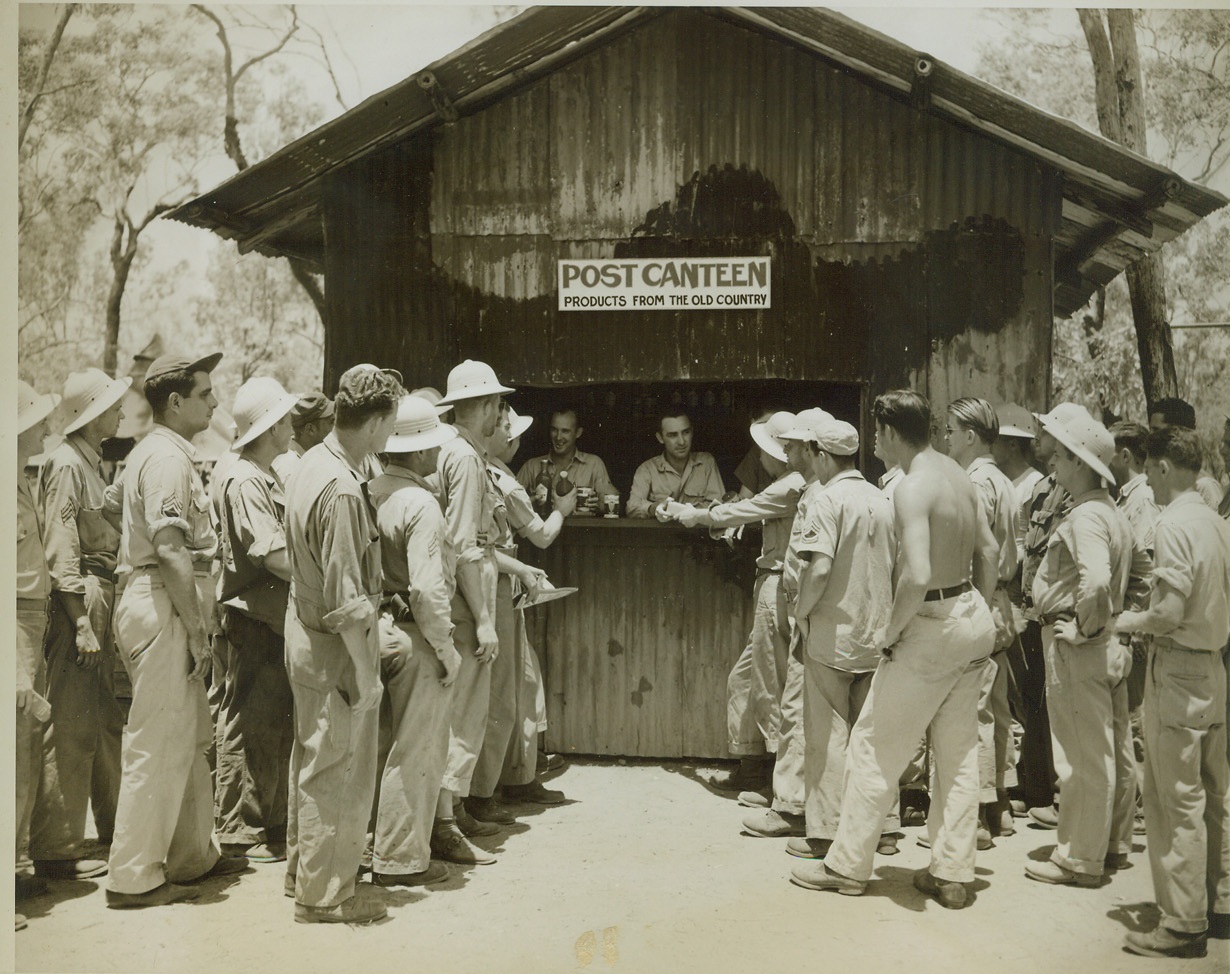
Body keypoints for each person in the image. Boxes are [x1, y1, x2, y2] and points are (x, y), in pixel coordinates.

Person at [790, 389, 997, 909]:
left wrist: (890, 631)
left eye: (876, 434)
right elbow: (991, 552)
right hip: (971, 614)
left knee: (871, 744)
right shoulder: (957, 475)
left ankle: (847, 867)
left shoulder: (910, 488)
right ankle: (952, 873)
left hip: (930, 621)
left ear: (886, 432)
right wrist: (977, 608)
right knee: (958, 754)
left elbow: (918, 575)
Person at [106, 352, 248, 909]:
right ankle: (132, 876)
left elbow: (112, 509)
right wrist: (196, 631)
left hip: (166, 600)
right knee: (156, 741)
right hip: (163, 600)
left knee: (187, 737)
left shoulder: (161, 453)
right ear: (175, 402)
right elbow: (169, 549)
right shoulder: (164, 458)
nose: (214, 402)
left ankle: (190, 856)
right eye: (205, 393)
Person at [283, 364, 402, 924]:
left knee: (312, 759)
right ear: (376, 423)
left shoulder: (313, 462)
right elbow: (349, 603)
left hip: (304, 631)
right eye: (390, 423)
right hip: (334, 647)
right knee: (337, 770)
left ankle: (302, 875)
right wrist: (371, 676)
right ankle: (326, 895)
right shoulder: (344, 490)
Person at [1114, 426, 1230, 958]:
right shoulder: (1216, 521)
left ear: (1162, 467)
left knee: (1172, 798)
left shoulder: (1174, 524)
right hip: (1213, 668)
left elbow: (1166, 612)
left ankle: (1182, 924)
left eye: (1150, 471)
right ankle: (1219, 904)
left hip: (1179, 669)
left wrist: (1125, 621)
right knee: (1214, 794)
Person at [1028, 412, 1146, 889]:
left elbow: (1095, 580)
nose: (1054, 463)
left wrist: (1084, 627)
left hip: (1079, 647)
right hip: (1105, 646)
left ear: (1079, 462)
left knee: (1080, 756)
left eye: (1059, 453)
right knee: (1111, 750)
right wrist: (1116, 629)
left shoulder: (1086, 517)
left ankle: (1079, 858)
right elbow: (1140, 577)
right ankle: (1112, 845)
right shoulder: (1114, 514)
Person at [777, 418, 897, 860]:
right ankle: (883, 828)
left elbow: (819, 569)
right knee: (874, 735)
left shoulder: (827, 500)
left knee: (826, 737)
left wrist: (800, 611)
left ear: (824, 456)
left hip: (833, 636)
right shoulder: (883, 499)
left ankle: (824, 833)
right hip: (876, 632)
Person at [29, 370, 128, 882]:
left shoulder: (89, 464)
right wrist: (81, 621)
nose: (120, 412)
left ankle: (111, 830)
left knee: (103, 718)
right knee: (71, 722)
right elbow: (62, 545)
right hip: (83, 596)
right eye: (111, 405)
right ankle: (57, 849)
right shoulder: (68, 465)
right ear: (90, 415)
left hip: (99, 592)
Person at [675, 412, 803, 795]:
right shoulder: (788, 482)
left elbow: (742, 510)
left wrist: (697, 514)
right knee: (746, 679)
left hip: (777, 588)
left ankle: (781, 785)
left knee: (770, 687)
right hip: (771, 585)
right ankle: (753, 766)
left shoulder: (791, 485)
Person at [367, 395, 462, 889]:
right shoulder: (420, 501)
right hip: (411, 633)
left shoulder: (367, 491)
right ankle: (401, 858)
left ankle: (370, 845)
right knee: (417, 747)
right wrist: (446, 649)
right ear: (421, 451)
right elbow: (426, 588)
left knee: (377, 744)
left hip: (371, 629)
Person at [470, 404, 573, 818]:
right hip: (492, 587)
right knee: (504, 693)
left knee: (523, 686)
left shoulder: (492, 472)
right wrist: (562, 510)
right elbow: (540, 536)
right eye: (507, 430)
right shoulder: (497, 477)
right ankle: (487, 792)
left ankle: (515, 777)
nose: (513, 438)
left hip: (502, 580)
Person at [214, 378, 299, 865]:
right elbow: (271, 554)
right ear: (269, 427)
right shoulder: (247, 480)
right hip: (255, 620)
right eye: (285, 420)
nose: (291, 429)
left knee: (267, 724)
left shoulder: (262, 475)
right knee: (253, 724)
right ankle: (243, 828)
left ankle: (263, 820)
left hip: (269, 618)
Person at [432, 360, 512, 866]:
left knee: (463, 711)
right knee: (458, 714)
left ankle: (454, 811)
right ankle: (443, 823)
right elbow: (463, 544)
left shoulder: (456, 450)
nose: (500, 411)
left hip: (466, 590)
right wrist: (483, 616)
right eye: (497, 403)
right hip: (466, 597)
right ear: (482, 405)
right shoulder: (462, 457)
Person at [946, 397, 1018, 842]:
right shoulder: (1005, 481)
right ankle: (1002, 809)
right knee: (997, 706)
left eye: (951, 431)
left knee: (972, 709)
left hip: (981, 596)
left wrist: (978, 602)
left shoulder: (973, 483)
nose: (946, 439)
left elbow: (982, 552)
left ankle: (975, 814)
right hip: (1003, 602)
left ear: (970, 435)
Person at [1015, 403, 1091, 825]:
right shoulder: (1043, 489)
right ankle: (1038, 790)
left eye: (1045, 431)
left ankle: (1059, 797)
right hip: (1034, 613)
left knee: (1059, 706)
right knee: (1036, 703)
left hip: (1062, 618)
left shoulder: (1079, 491)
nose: (1037, 437)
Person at [16, 380, 62, 926]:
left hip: (31, 617)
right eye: (36, 419)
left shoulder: (21, 481)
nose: (46, 428)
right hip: (16, 622)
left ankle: (18, 863)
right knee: (16, 751)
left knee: (27, 746)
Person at [627, 408, 725, 518]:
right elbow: (632, 507)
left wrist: (689, 513)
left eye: (686, 432)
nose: (682, 442)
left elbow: (719, 507)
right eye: (673, 435)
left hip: (697, 532)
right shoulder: (647, 469)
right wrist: (655, 508)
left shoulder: (706, 462)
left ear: (692, 432)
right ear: (660, 438)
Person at [515, 407, 617, 510]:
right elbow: (509, 505)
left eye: (565, 431)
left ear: (578, 433)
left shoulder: (594, 464)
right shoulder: (531, 466)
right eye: (554, 430)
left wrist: (599, 505)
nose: (558, 437)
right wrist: (530, 503)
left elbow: (614, 505)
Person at [1147, 397, 1222, 510]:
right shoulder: (1160, 480)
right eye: (1150, 430)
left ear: (1178, 432)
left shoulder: (1205, 485)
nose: (1150, 437)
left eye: (1156, 431)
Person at [272, 392, 335, 485]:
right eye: (331, 422)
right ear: (310, 429)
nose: (335, 428)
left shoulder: (310, 457)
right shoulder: (290, 469)